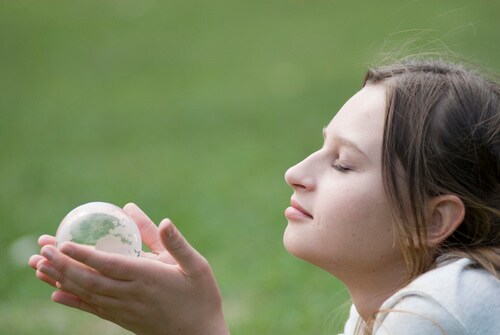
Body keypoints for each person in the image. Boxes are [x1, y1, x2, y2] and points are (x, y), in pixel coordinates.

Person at [29, 58, 499, 335]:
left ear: (433, 220)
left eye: (342, 163)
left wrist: (198, 327)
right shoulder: (379, 310)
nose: (295, 173)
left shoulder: (443, 308)